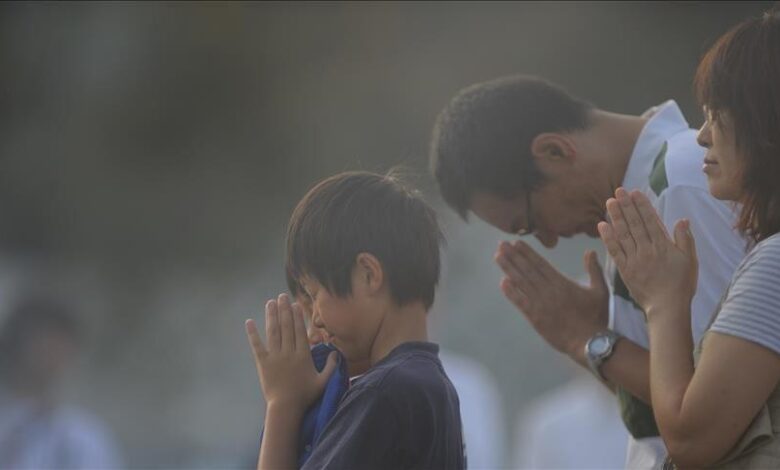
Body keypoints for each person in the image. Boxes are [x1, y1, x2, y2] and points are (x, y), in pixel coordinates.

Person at [429, 75, 745, 467]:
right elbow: (663, 413)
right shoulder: (642, 197)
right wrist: (593, 341)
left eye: (530, 223)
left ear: (554, 151)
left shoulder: (679, 183)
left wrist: (591, 338)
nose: (549, 240)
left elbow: (721, 403)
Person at [598, 7, 780, 468]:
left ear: (766, 124)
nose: (702, 136)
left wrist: (664, 302)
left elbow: (690, 439)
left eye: (718, 115)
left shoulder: (775, 263)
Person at [245, 171, 465, 470]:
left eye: (314, 293)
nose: (315, 322)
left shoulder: (384, 393)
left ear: (368, 275)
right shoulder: (432, 386)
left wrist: (282, 404)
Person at [0, 295, 122, 469]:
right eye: (43, 340)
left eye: (60, 344)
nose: (51, 353)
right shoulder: (7, 421)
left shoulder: (80, 436)